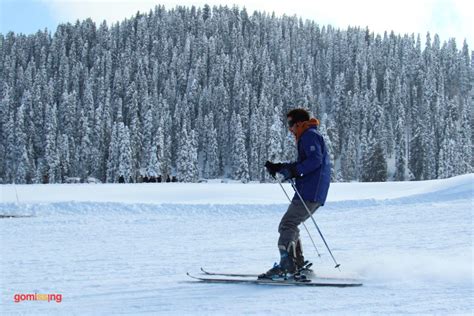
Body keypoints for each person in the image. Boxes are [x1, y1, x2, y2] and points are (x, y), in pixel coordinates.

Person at [259, 108, 331, 279]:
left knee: (287, 224)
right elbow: (304, 163)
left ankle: (288, 266)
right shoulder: (307, 135)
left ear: (299, 123)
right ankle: (296, 263)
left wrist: (294, 171)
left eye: (291, 124)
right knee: (290, 224)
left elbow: (315, 160)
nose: (290, 128)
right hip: (310, 190)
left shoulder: (309, 135)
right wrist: (281, 167)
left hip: (310, 191)